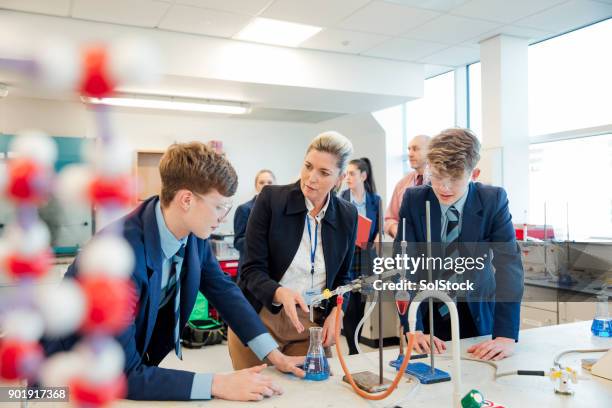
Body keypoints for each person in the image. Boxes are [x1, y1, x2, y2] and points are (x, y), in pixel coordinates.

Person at [42, 142, 303, 401]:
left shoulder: (192, 233)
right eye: (220, 206)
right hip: (62, 381)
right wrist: (216, 383)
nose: (223, 217)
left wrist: (273, 353)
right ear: (186, 199)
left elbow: (223, 290)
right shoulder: (117, 260)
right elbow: (121, 375)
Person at [229, 131, 358, 369]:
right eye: (308, 166)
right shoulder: (270, 200)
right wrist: (280, 292)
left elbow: (344, 278)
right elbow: (250, 270)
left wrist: (337, 312)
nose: (311, 177)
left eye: (324, 173)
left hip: (310, 322)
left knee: (314, 393)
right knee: (262, 395)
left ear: (339, 179)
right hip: (260, 318)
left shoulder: (347, 215)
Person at [396, 128, 524, 361]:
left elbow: (509, 266)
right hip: (428, 313)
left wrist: (506, 336)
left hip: (476, 313)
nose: (444, 188)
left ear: (474, 173)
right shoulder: (414, 200)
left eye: (454, 179)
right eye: (436, 176)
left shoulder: (492, 200)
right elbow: (404, 268)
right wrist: (413, 327)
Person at [340, 158, 381, 355]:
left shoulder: (375, 200)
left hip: (366, 256)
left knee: (363, 302)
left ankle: (355, 343)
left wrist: (379, 234)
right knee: (350, 304)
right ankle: (353, 350)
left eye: (352, 174)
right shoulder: (341, 197)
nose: (348, 177)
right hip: (347, 255)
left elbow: (379, 227)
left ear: (363, 176)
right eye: (346, 174)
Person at [384, 134, 430, 239]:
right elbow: (389, 219)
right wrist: (398, 232)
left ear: (429, 151)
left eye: (415, 149)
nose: (410, 154)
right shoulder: (401, 185)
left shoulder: (440, 184)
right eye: (409, 149)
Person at [234, 170, 276, 274]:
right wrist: (262, 241)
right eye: (261, 182)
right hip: (249, 270)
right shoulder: (244, 209)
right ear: (256, 186)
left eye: (270, 182)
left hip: (273, 271)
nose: (266, 186)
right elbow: (238, 242)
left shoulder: (279, 211)